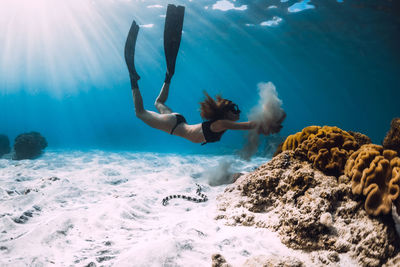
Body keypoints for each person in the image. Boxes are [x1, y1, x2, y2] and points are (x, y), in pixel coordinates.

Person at [124, 4, 268, 145]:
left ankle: (168, 76)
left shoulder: (222, 123)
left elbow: (245, 125)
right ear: (226, 113)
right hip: (174, 124)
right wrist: (269, 121)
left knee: (158, 103)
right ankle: (134, 79)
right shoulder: (221, 123)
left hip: (177, 122)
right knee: (140, 112)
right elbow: (247, 125)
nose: (238, 111)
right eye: (234, 109)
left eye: (235, 108)